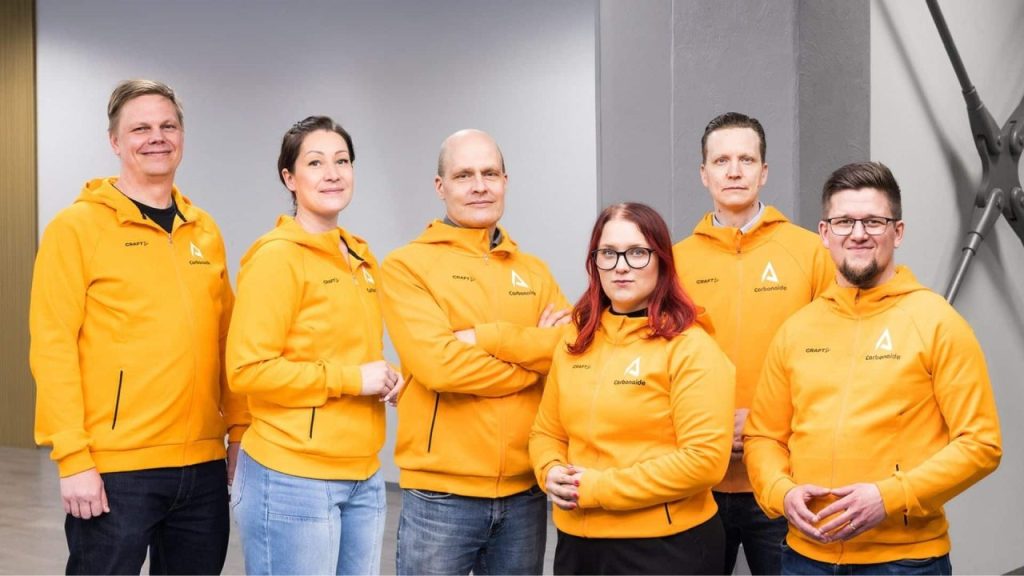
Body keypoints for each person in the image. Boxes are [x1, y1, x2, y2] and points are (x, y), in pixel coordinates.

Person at [29, 79, 247, 574]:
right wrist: (74, 457)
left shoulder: (204, 230)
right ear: (115, 141)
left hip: (202, 466)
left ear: (182, 136)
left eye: (168, 125)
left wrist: (238, 430)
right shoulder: (76, 229)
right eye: (141, 128)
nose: (157, 137)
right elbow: (52, 344)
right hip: (116, 469)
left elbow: (224, 336)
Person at [744, 161, 1002, 575]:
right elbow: (763, 437)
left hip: (904, 562)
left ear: (897, 232)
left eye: (873, 221)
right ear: (824, 234)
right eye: (844, 221)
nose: (858, 233)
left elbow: (981, 444)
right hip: (803, 558)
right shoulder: (796, 329)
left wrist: (890, 497)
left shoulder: (937, 321)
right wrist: (779, 492)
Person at [380, 129, 569, 575]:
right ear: (440, 187)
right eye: (464, 175)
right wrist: (534, 361)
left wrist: (487, 338)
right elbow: (440, 366)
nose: (479, 185)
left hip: (525, 493)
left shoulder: (534, 271)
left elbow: (571, 352)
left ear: (505, 180)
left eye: (489, 173)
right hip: (442, 497)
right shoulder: (407, 266)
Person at [226, 116, 402, 575]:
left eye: (342, 161)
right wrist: (351, 380)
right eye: (316, 162)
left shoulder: (361, 257)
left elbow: (347, 350)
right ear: (289, 177)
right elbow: (247, 370)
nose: (333, 173)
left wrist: (383, 376)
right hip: (293, 477)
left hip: (363, 475)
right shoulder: (276, 258)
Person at [528, 202, 734, 575]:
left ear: (662, 261)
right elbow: (547, 431)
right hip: (578, 545)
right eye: (608, 253)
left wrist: (597, 489)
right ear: (595, 263)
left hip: (665, 547)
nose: (621, 265)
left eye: (637, 252)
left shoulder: (691, 347)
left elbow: (704, 461)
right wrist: (550, 469)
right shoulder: (576, 339)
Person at [672, 112, 833, 574]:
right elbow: (657, 361)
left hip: (783, 481)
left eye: (747, 159)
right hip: (698, 483)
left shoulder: (810, 254)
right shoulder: (675, 262)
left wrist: (761, 423)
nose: (735, 170)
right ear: (703, 174)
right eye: (721, 160)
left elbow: (833, 360)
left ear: (764, 172)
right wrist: (717, 425)